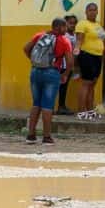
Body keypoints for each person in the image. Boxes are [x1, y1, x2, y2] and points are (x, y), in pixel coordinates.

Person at [24, 17, 74, 145]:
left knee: (36, 104)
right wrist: (65, 75)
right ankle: (46, 137)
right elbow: (70, 61)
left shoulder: (40, 35)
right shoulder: (64, 41)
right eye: (65, 26)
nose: (66, 28)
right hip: (52, 73)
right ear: (59, 27)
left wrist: (34, 61)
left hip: (35, 71)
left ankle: (30, 135)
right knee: (47, 105)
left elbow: (25, 48)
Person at [74, 2, 105, 119]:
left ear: (97, 12)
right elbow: (79, 39)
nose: (93, 12)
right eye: (90, 10)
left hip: (98, 57)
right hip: (87, 56)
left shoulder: (98, 25)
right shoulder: (82, 24)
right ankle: (81, 111)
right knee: (86, 83)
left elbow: (102, 39)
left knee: (93, 84)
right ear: (86, 12)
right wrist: (77, 49)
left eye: (95, 10)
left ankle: (90, 110)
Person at [57, 15, 79, 114]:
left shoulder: (74, 35)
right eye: (70, 23)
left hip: (69, 65)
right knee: (62, 86)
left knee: (64, 86)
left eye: (74, 23)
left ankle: (62, 106)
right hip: (63, 65)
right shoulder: (64, 36)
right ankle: (60, 107)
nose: (73, 25)